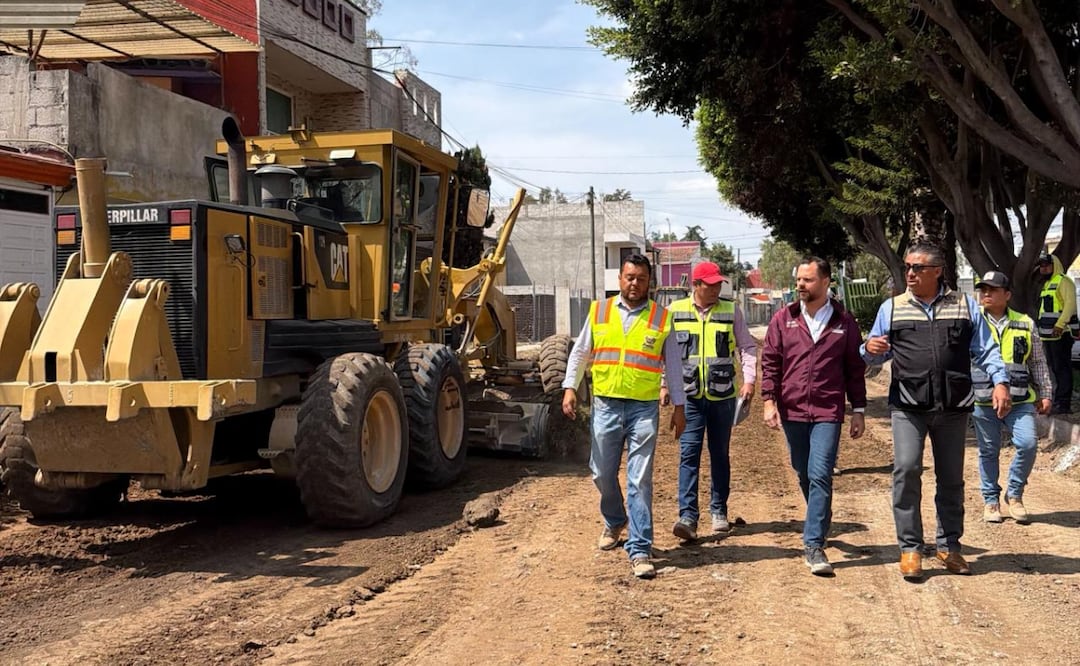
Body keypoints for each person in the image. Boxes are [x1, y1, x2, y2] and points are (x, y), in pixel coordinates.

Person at [861, 241, 1010, 581]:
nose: (910, 273)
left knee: (951, 479)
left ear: (938, 271)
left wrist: (1000, 382)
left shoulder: (964, 306)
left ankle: (949, 546)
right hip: (908, 407)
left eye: (918, 268)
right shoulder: (893, 308)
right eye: (907, 267)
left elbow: (985, 349)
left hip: (953, 407)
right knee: (907, 470)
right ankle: (910, 549)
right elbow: (872, 354)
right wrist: (868, 348)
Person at [562, 254, 687, 580]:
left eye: (641, 279)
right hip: (605, 404)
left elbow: (673, 364)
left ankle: (640, 547)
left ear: (650, 282)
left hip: (643, 408)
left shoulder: (661, 317)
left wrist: (679, 405)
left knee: (639, 479)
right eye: (630, 277)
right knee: (601, 473)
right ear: (620, 279)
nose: (635, 284)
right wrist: (569, 387)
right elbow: (580, 351)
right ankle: (615, 519)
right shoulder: (599, 311)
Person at [760, 257, 867, 576]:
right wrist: (769, 401)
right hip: (792, 408)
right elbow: (771, 362)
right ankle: (821, 514)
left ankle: (814, 544)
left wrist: (858, 409)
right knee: (804, 472)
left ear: (825, 282)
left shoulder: (844, 322)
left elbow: (854, 369)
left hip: (827, 411)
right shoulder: (784, 318)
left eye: (807, 280)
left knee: (821, 474)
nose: (800, 285)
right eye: (799, 280)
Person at [660, 261, 757, 542]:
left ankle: (719, 512)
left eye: (718, 284)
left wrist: (749, 379)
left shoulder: (730, 310)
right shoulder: (675, 312)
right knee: (688, 455)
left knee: (719, 454)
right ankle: (688, 516)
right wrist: (664, 385)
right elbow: (665, 353)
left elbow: (746, 346)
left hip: (722, 396)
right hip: (688, 397)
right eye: (711, 284)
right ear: (696, 285)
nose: (716, 288)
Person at [971, 270, 1052, 525]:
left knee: (1027, 444)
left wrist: (1045, 392)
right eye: (983, 289)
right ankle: (991, 501)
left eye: (992, 290)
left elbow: (1037, 361)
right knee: (988, 451)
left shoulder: (1025, 323)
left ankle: (1014, 494)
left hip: (1019, 400)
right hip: (982, 399)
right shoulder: (971, 322)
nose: (986, 293)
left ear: (1007, 295)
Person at [1035, 252, 1076, 414]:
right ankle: (1058, 400)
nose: (1043, 268)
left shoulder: (1063, 282)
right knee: (1055, 368)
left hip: (1060, 334)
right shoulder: (1048, 284)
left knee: (1062, 368)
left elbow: (1070, 305)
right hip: (1048, 335)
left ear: (1055, 265)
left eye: (1046, 265)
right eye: (1041, 266)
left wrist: (1060, 324)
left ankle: (1063, 404)